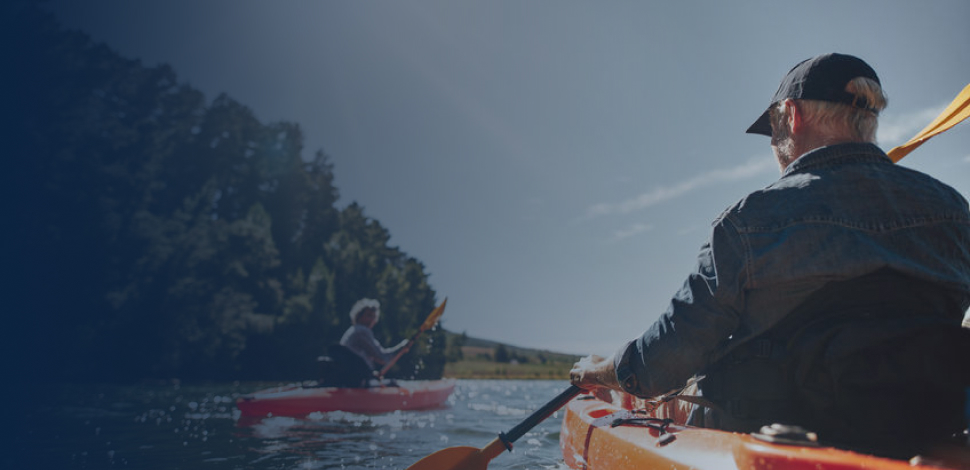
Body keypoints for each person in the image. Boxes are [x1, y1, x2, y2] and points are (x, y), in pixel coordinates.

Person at [569, 53, 970, 459]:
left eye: (773, 132)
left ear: (792, 116)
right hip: (919, 428)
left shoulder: (748, 221)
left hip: (773, 438)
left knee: (675, 393)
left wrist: (599, 370)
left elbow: (661, 363)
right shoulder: (953, 210)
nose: (775, 147)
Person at [336, 298, 410, 378]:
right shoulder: (361, 331)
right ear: (359, 316)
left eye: (374, 316)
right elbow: (381, 357)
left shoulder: (353, 330)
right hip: (356, 379)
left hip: (353, 376)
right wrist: (402, 347)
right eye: (369, 315)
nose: (372, 319)